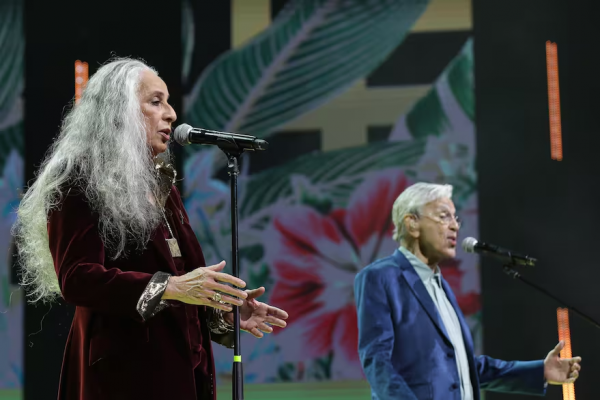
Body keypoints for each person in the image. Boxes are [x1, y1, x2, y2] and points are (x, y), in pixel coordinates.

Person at [14, 58, 288, 400]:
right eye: (156, 102)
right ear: (120, 111)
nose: (172, 114)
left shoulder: (161, 184)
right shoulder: (78, 179)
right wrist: (172, 286)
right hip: (123, 376)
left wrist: (223, 308)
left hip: (182, 370)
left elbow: (179, 278)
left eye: (168, 102)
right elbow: (78, 278)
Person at [354, 182, 581, 400]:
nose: (455, 226)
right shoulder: (380, 277)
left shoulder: (442, 287)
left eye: (456, 218)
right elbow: (377, 362)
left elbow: (462, 369)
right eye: (444, 216)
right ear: (412, 223)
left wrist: (539, 372)